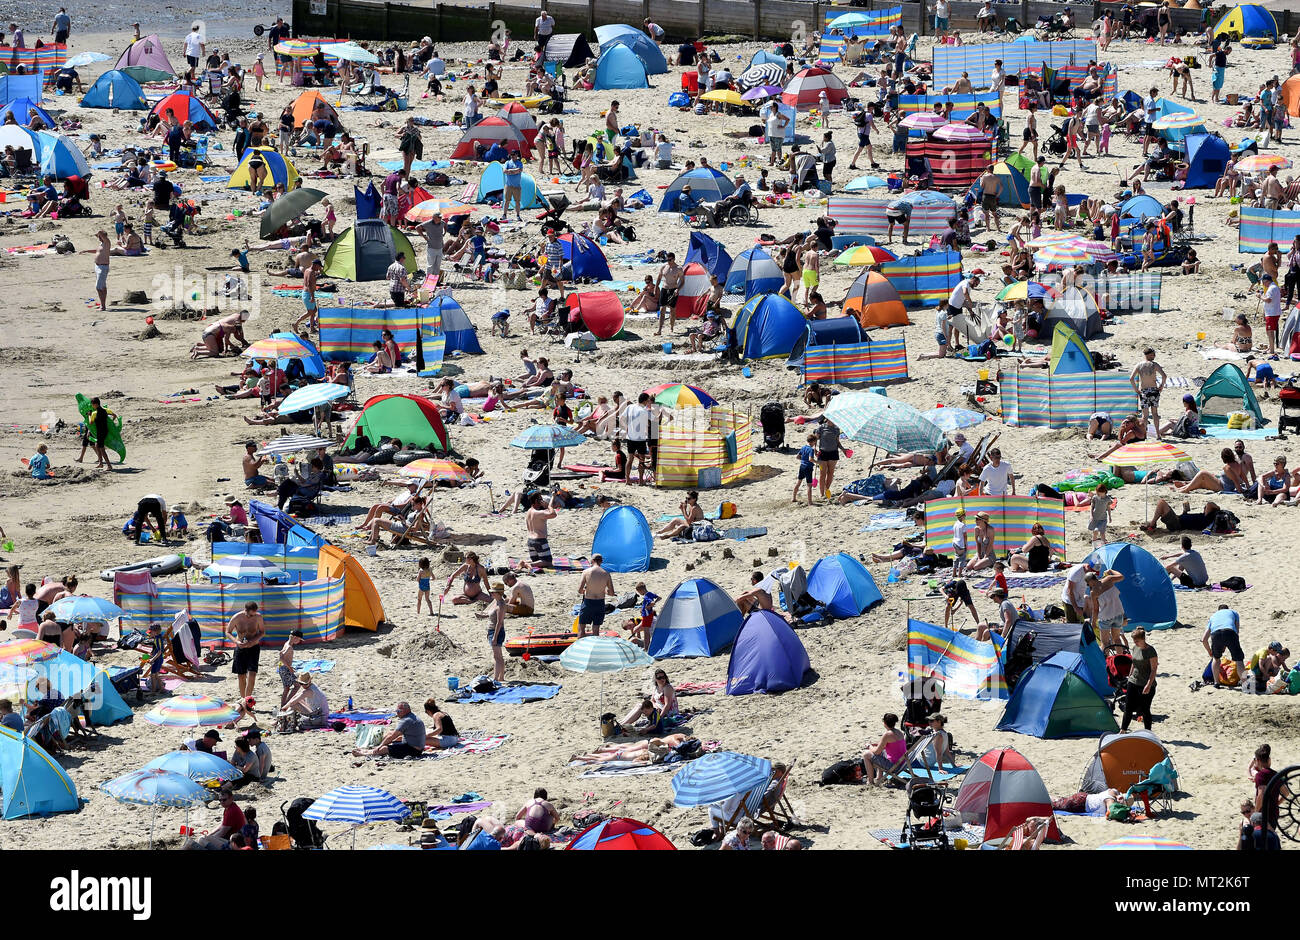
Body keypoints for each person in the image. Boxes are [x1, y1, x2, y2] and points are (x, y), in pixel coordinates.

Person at [353, 700, 425, 758]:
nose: (397, 713)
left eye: (399, 711)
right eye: (397, 711)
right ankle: (368, 751)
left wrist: (380, 746)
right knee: (388, 743)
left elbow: (392, 737)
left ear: (405, 711)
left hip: (414, 750)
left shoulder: (406, 721)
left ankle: (364, 754)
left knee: (384, 748)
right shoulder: (412, 717)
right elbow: (392, 734)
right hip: (417, 747)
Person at [224, 602, 265, 702]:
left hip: (254, 647)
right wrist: (236, 642)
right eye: (251, 614)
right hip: (240, 648)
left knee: (252, 674)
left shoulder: (258, 617)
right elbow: (228, 632)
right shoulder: (237, 617)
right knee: (241, 675)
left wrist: (253, 640)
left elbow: (262, 632)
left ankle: (248, 700)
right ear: (245, 610)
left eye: (254, 614)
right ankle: (243, 700)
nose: (252, 616)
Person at [1122, 628, 1158, 731]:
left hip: (1145, 684)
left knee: (1145, 710)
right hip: (1133, 681)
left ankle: (1148, 732)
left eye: (1137, 641)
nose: (1135, 643)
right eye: (1134, 641)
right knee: (1128, 708)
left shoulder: (1151, 651)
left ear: (1143, 639)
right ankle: (1123, 730)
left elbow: (1154, 669)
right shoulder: (1135, 648)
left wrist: (1149, 685)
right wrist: (1129, 676)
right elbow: (1134, 663)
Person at [1204, 605, 1246, 689]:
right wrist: (1228, 644)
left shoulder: (1213, 616)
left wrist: (1209, 651)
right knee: (1239, 660)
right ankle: (1245, 683)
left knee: (1216, 658)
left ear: (1218, 610)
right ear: (1227, 609)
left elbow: (1204, 639)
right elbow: (1236, 631)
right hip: (1230, 632)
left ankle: (1216, 682)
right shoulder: (1233, 612)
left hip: (1216, 634)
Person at [1130, 347, 1168, 435]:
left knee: (1145, 415)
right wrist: (1161, 386)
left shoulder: (1139, 365)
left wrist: (1136, 390)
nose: (1154, 356)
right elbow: (1164, 376)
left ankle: (1144, 434)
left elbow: (1131, 378)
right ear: (1149, 355)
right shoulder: (1154, 365)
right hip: (1154, 391)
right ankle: (1158, 434)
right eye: (1153, 354)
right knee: (1155, 413)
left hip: (1144, 392)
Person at [862, 713, 906, 785]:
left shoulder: (887, 734)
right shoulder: (899, 732)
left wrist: (869, 746)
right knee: (882, 751)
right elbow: (893, 746)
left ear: (885, 723)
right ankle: (879, 777)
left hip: (894, 766)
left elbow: (876, 752)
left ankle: (870, 781)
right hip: (902, 763)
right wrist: (877, 745)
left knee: (866, 754)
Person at [576, 555, 614, 637]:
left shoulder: (586, 572)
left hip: (588, 602)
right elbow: (611, 593)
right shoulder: (606, 573)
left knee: (581, 628)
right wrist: (603, 590)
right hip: (600, 603)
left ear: (592, 560)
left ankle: (581, 648)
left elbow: (579, 590)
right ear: (601, 561)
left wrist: (586, 591)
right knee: (596, 630)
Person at [483, 581, 507, 681]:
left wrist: (494, 637)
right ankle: (501, 677)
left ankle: (496, 678)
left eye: (493, 592)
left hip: (496, 632)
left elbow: (499, 623)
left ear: (499, 593)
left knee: (497, 657)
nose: (491, 594)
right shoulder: (496, 602)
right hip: (492, 631)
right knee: (499, 656)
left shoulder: (501, 604)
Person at [277, 629, 305, 708]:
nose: (299, 642)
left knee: (286, 688)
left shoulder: (287, 643)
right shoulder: (289, 647)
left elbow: (281, 653)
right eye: (299, 640)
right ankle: (287, 704)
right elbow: (281, 658)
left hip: (282, 668)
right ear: (295, 638)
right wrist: (289, 667)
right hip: (285, 669)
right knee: (297, 685)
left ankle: (283, 705)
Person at [793, 432, 817, 506]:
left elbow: (797, 457)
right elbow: (810, 459)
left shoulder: (803, 447)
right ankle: (810, 502)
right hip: (808, 467)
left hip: (802, 466)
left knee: (799, 482)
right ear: (813, 442)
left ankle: (793, 498)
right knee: (809, 485)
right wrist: (817, 462)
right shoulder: (811, 450)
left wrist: (803, 460)